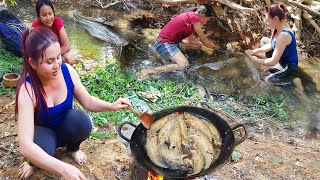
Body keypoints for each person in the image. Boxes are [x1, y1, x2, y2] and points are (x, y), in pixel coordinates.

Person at [16, 26, 131, 179]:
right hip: (43, 134)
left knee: (82, 121)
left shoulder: (67, 71)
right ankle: (31, 162)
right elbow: (24, 145)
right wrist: (63, 169)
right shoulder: (27, 91)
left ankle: (73, 149)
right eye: (49, 61)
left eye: (58, 57)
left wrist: (112, 105)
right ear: (32, 63)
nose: (57, 64)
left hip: (65, 128)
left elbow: (88, 101)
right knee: (42, 148)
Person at [138, 4, 217, 77]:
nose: (206, 22)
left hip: (171, 42)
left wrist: (202, 46)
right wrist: (216, 48)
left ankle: (168, 57)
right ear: (202, 15)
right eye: (208, 19)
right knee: (184, 64)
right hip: (164, 43)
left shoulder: (190, 16)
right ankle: (148, 71)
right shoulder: (195, 18)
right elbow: (204, 40)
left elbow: (192, 41)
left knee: (197, 46)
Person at [245, 3, 298, 83]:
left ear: (275, 19)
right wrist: (254, 51)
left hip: (287, 65)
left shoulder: (283, 36)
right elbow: (270, 45)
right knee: (264, 40)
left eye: (268, 20)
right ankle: (276, 68)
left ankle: (291, 81)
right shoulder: (278, 26)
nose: (267, 23)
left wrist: (256, 60)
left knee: (263, 80)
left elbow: (273, 61)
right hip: (281, 55)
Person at [32, 0, 76, 65]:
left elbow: (66, 46)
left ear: (54, 13)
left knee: (70, 59)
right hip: (45, 58)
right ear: (39, 17)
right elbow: (33, 50)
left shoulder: (57, 21)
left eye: (50, 14)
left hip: (59, 54)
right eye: (44, 15)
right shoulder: (35, 27)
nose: (48, 18)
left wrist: (54, 57)